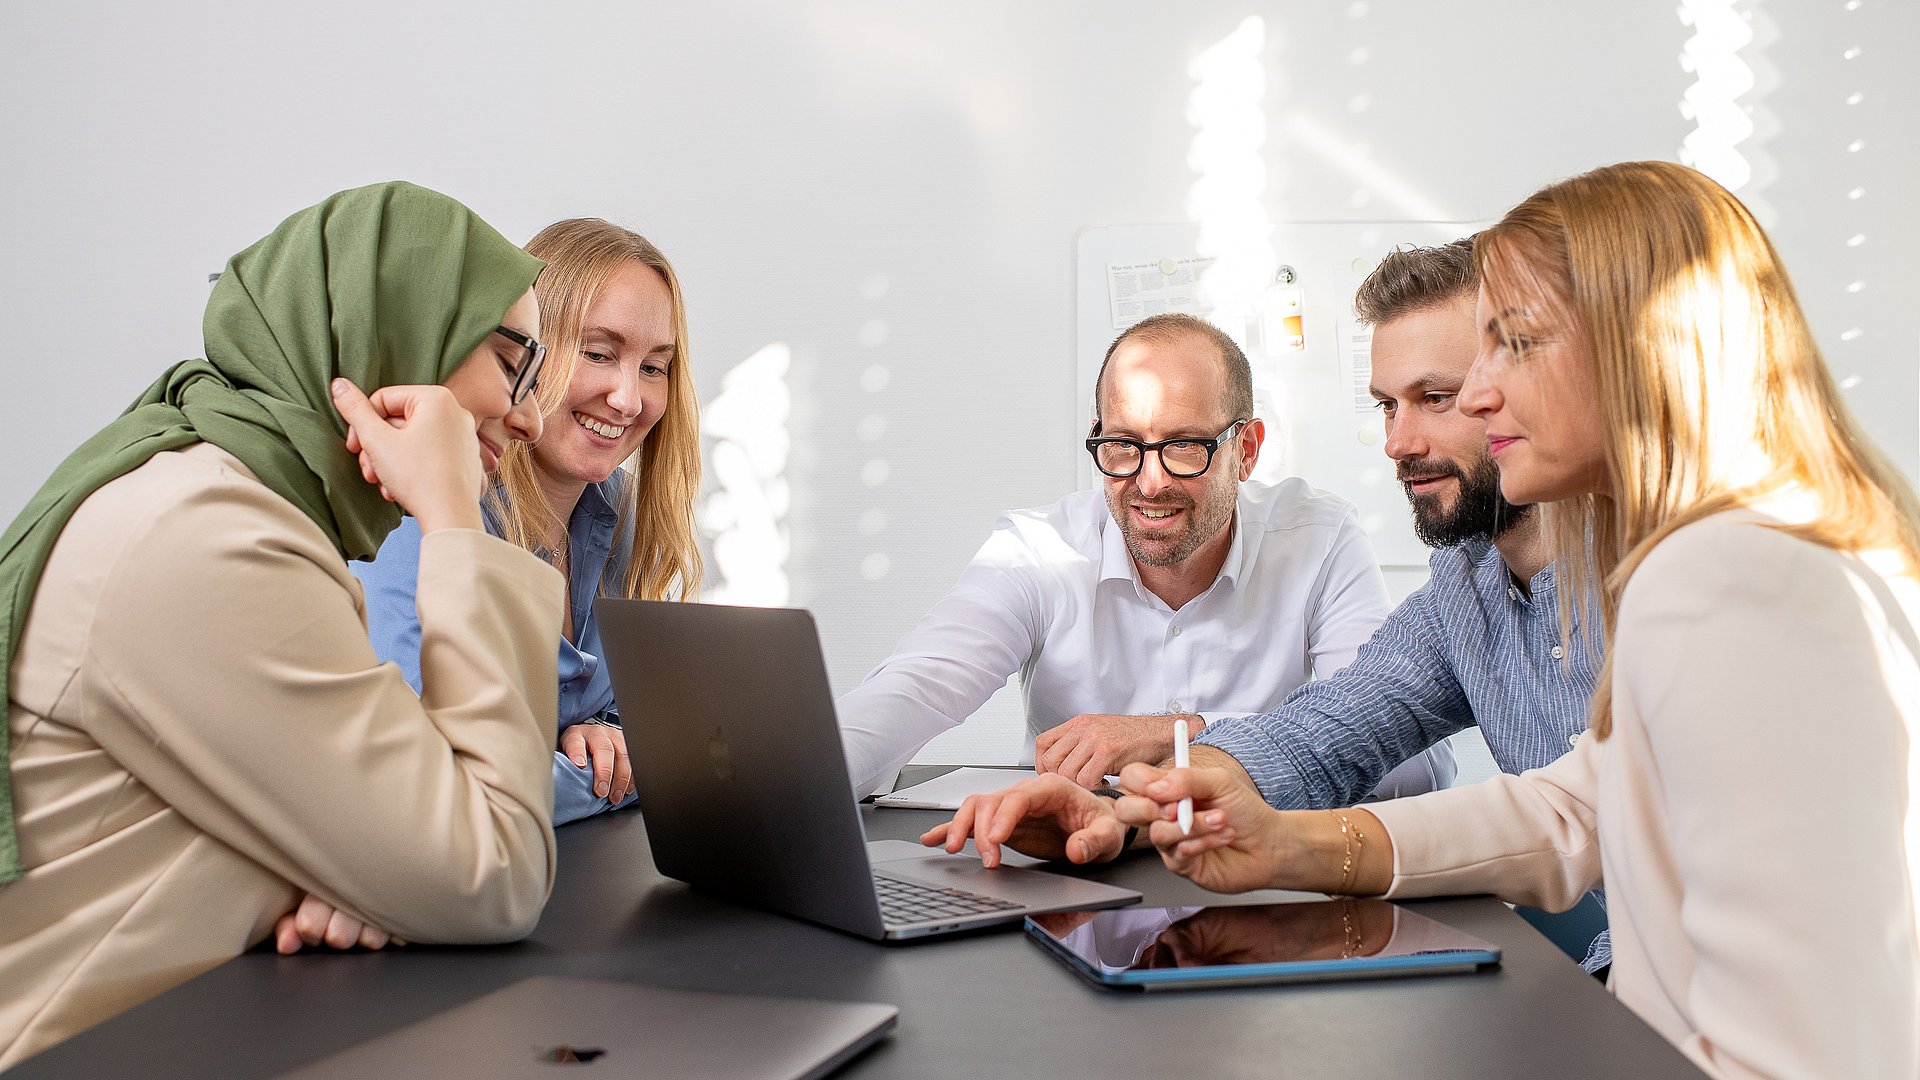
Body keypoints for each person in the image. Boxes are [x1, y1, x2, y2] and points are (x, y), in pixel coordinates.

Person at [1113, 162, 1920, 1079]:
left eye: (1516, 346)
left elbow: (1797, 1055)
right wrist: (1265, 837)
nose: (1482, 394)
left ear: (1649, 348)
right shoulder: (1678, 559)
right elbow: (1570, 804)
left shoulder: (1729, 575)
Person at [0, 182, 566, 1068]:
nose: (531, 415)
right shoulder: (208, 540)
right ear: (394, 325)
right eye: (512, 361)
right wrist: (456, 518)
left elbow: (431, 835)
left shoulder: (230, 502)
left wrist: (367, 871)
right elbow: (494, 869)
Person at [924, 240, 1610, 970]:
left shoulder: (1661, 574)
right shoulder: (1459, 593)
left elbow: (1567, 818)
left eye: (1436, 398)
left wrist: (1186, 776)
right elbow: (1319, 737)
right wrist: (1127, 816)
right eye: (1386, 405)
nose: (1397, 443)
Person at [837, 313, 1454, 799]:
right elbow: (917, 687)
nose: (1149, 481)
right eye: (1123, 445)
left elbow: (1413, 762)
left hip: (1266, 882)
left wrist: (1183, 736)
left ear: (1247, 450)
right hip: (1077, 878)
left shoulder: (1319, 539)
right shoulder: (1038, 550)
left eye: (1184, 445)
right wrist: (787, 786)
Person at [354, 218, 703, 825]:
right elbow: (434, 791)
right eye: (599, 354)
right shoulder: (422, 515)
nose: (628, 398)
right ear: (524, 351)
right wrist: (628, 774)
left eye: (654, 367)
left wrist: (605, 734)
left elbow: (637, 719)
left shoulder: (617, 514)